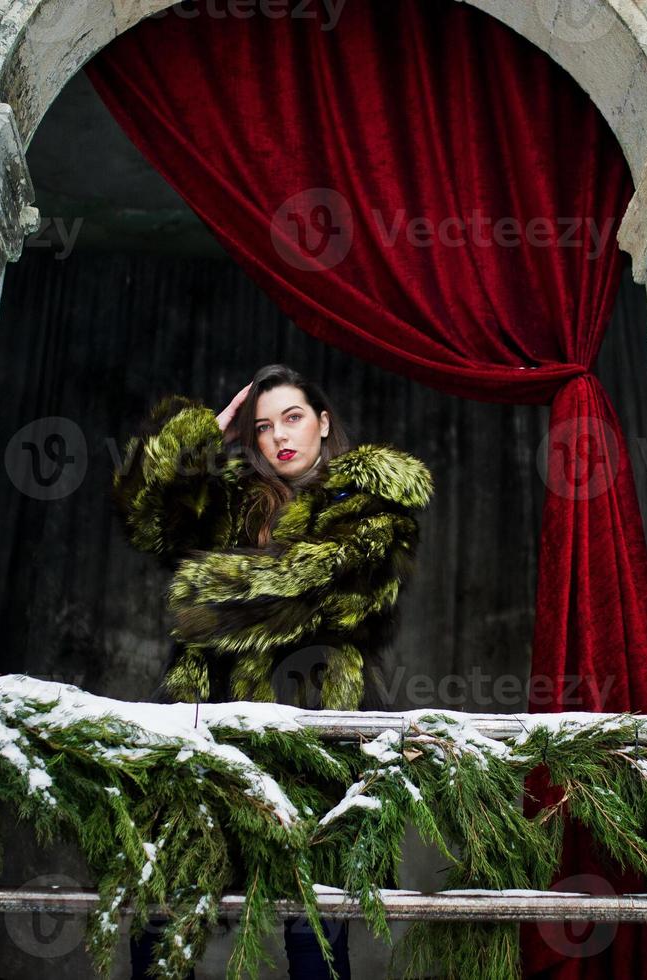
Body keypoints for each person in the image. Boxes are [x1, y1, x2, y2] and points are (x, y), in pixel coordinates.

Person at [111, 363, 434, 979]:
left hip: (311, 739)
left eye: (293, 418)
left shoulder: (370, 504)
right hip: (205, 736)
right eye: (263, 426)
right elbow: (145, 520)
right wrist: (194, 437)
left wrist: (204, 597)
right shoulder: (230, 502)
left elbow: (310, 591)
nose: (280, 437)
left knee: (314, 933)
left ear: (324, 422)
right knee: (160, 920)